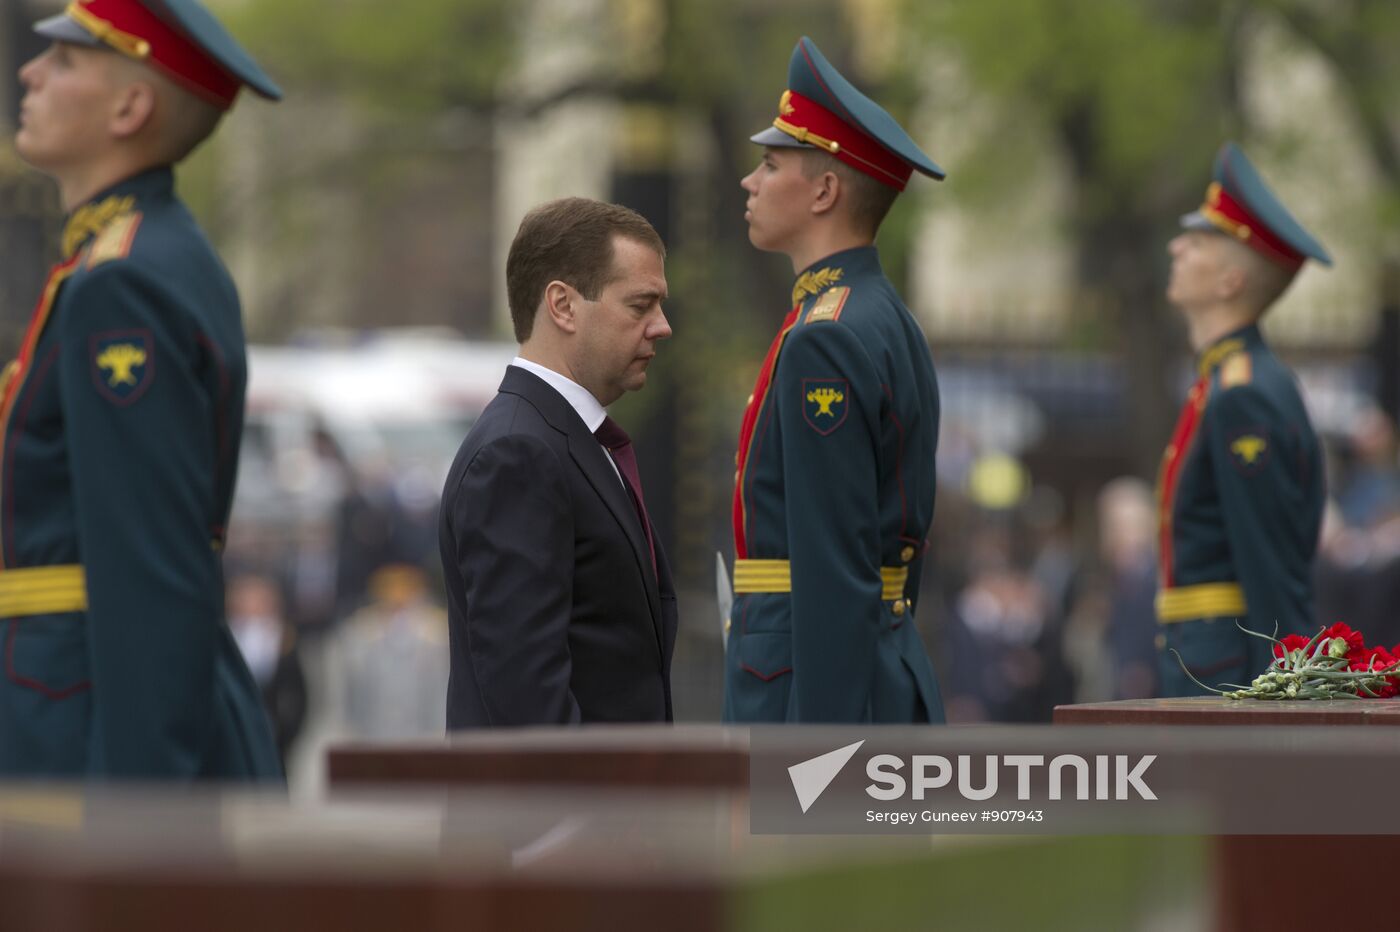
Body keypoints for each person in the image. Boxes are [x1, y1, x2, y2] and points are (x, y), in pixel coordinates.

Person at [0, 0, 283, 778]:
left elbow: (148, 572)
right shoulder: (143, 257)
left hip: (83, 726)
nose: (29, 71)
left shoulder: (120, 283)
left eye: (60, 62)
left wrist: (136, 827)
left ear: (130, 106)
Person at [724, 37, 945, 723]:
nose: (748, 182)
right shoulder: (880, 317)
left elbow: (833, 563)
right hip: (873, 671)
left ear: (824, 189)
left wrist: (821, 763)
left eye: (770, 164)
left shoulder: (827, 336)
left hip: (815, 693)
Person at [439, 197, 677, 727]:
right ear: (563, 305)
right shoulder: (518, 454)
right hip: (568, 808)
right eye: (640, 305)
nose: (661, 326)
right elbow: (528, 703)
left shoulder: (562, 439)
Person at [1156, 142, 1329, 695]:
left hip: (1225, 670)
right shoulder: (1225, 382)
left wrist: (1284, 700)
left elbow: (1270, 569)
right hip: (1207, 656)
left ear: (1230, 281)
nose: (1175, 246)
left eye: (1199, 241)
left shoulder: (1243, 395)